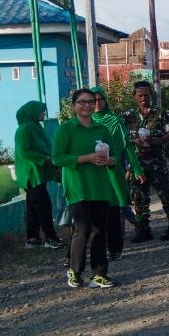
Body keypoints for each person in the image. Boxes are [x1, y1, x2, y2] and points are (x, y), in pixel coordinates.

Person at [53, 89, 120, 289]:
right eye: (82, 102)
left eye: (91, 102)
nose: (87, 105)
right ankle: (75, 271)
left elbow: (116, 155)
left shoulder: (101, 129)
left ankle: (99, 273)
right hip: (77, 187)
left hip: (100, 187)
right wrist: (86, 158)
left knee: (100, 229)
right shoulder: (66, 129)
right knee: (82, 228)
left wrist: (109, 160)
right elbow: (58, 157)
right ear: (74, 106)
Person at [122, 81, 169, 242]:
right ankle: (143, 231)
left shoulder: (160, 113)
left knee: (166, 195)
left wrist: (157, 140)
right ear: (134, 97)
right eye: (140, 95)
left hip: (157, 163)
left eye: (146, 95)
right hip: (137, 164)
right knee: (139, 197)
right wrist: (135, 141)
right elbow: (123, 137)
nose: (143, 98)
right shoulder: (127, 116)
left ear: (151, 96)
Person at [90, 88, 141, 261]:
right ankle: (97, 247)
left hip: (112, 169)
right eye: (93, 100)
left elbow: (126, 146)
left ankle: (115, 248)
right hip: (93, 171)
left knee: (114, 209)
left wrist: (136, 168)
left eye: (100, 99)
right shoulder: (85, 122)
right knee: (96, 210)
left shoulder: (115, 121)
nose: (97, 103)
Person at [14, 100, 63, 251]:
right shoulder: (24, 129)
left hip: (38, 173)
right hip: (31, 173)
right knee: (43, 206)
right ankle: (50, 237)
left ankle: (33, 238)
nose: (43, 114)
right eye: (41, 111)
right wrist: (46, 159)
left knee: (33, 207)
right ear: (32, 112)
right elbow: (24, 151)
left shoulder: (35, 128)